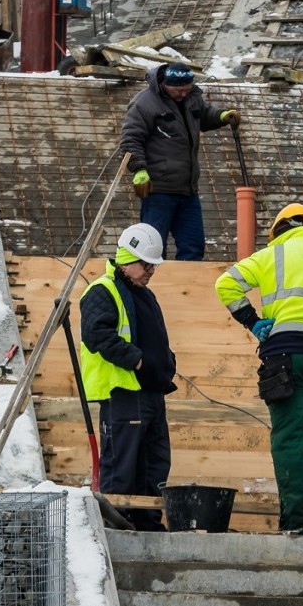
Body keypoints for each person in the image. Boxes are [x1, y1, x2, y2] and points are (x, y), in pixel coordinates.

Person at [215, 203, 303, 537]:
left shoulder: (271, 255)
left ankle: (296, 521)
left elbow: (225, 284)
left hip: (285, 352)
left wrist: (253, 322)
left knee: (289, 432)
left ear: (277, 230)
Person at [79, 222, 176, 531]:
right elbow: (97, 334)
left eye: (153, 265)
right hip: (124, 392)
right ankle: (116, 527)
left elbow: (157, 338)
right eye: (145, 264)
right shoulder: (102, 291)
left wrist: (165, 364)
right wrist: (135, 360)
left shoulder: (145, 296)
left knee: (155, 464)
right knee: (122, 464)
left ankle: (147, 524)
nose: (150, 271)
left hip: (150, 392)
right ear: (126, 258)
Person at [119, 61, 240, 260]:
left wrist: (221, 116)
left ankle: (187, 289)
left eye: (187, 89)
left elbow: (203, 115)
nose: (183, 94)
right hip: (158, 190)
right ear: (165, 84)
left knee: (194, 247)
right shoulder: (145, 103)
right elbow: (131, 138)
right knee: (154, 247)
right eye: (179, 90)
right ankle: (153, 288)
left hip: (188, 190)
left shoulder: (192, 98)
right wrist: (139, 169)